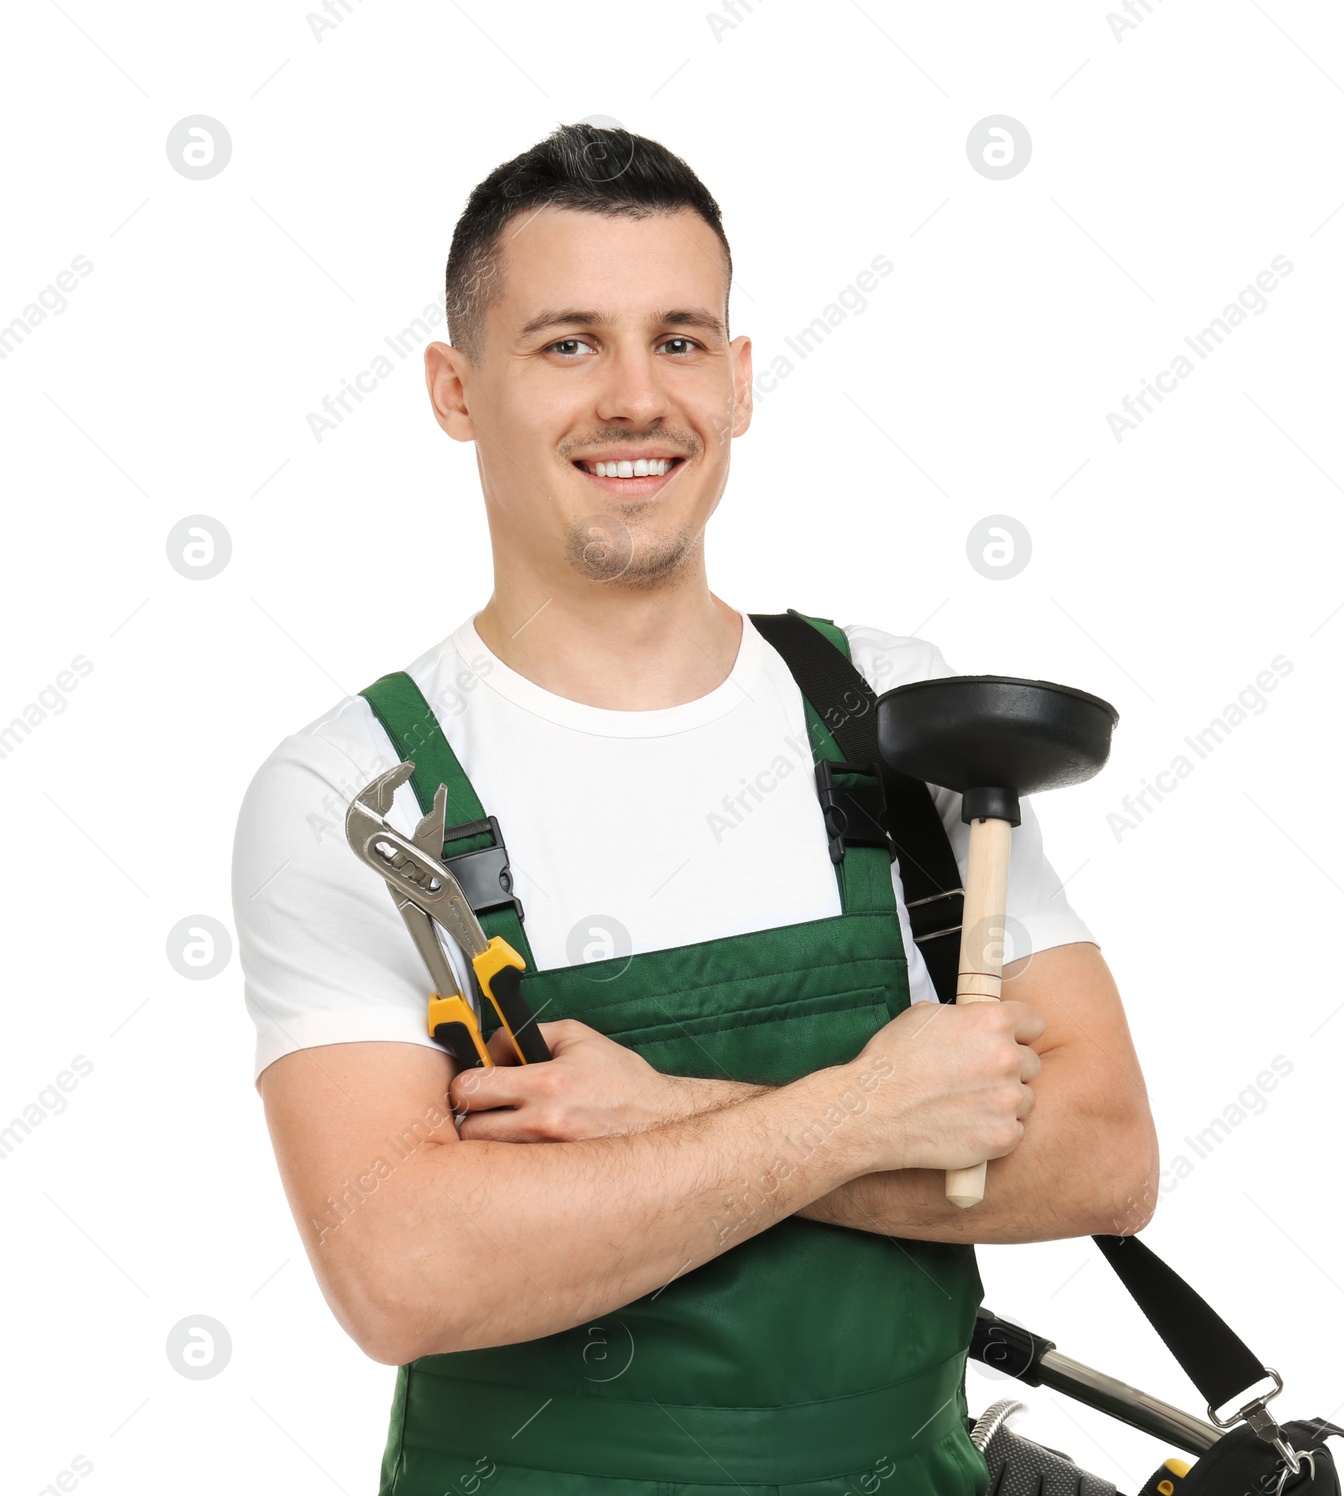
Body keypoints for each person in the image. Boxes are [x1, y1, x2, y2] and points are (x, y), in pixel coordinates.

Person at [233, 122, 1158, 1496]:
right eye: (565, 344)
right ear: (454, 388)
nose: (633, 398)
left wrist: (669, 1110)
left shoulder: (891, 714)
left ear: (734, 381)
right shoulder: (353, 789)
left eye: (678, 340)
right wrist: (858, 1117)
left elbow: (1101, 1156)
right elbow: (405, 1272)